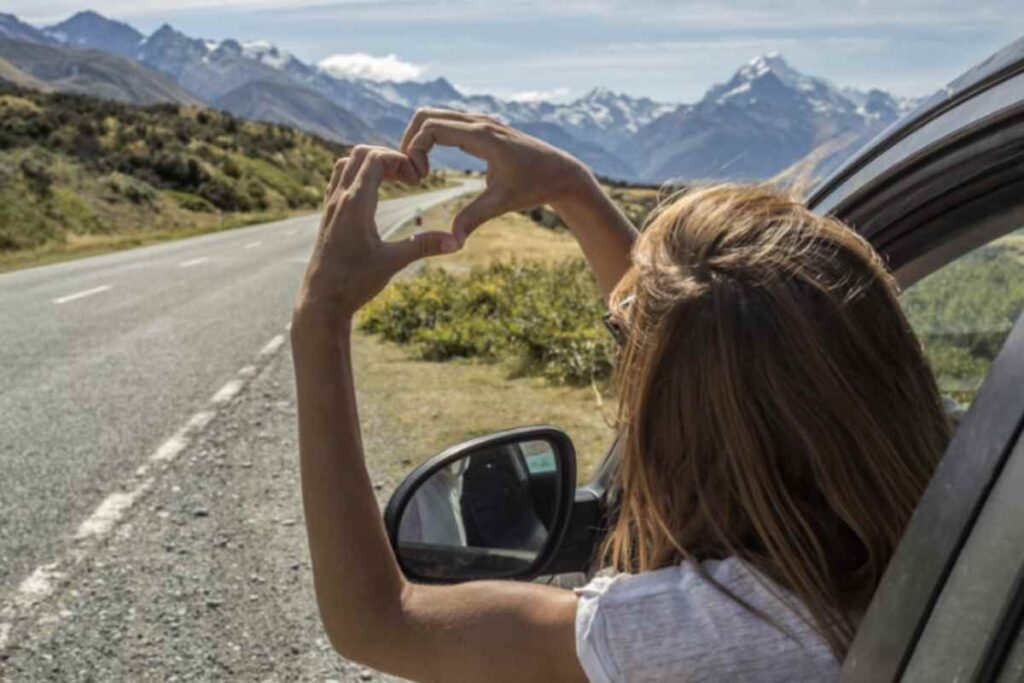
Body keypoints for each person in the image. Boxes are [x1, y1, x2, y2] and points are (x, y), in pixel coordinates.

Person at [290, 109, 950, 682]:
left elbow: (377, 619)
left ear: (681, 435)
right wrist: (571, 189)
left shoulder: (690, 633)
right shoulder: (965, 495)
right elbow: (704, 357)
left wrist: (319, 317)